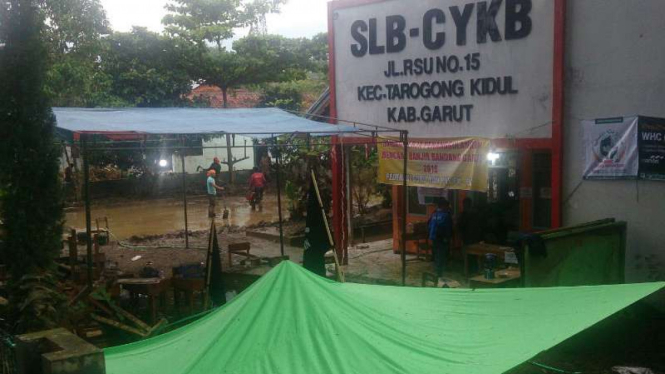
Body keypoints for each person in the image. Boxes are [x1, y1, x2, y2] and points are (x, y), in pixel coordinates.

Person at [428, 198, 453, 278]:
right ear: (443, 206)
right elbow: (449, 228)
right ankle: (440, 274)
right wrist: (448, 238)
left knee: (436, 254)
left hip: (434, 237)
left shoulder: (434, 214)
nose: (448, 207)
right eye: (447, 206)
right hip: (442, 238)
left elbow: (429, 225)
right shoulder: (446, 215)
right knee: (442, 254)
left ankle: (438, 270)